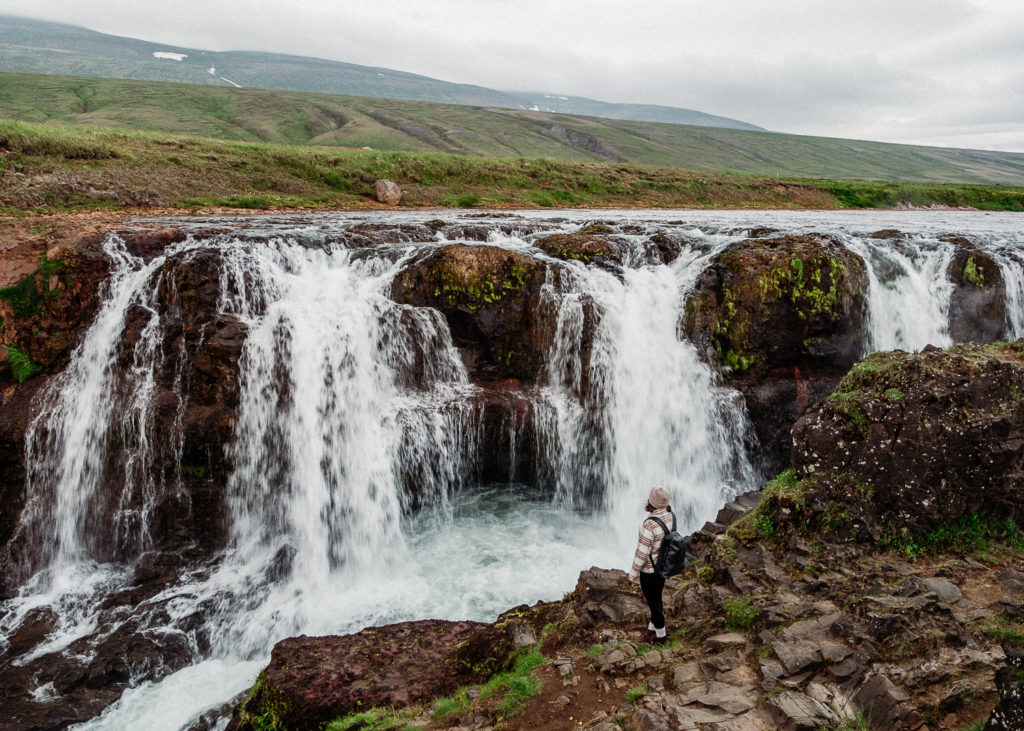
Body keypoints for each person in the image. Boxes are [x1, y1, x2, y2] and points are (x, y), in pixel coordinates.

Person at [628, 485, 673, 641]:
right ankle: (650, 630)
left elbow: (642, 553)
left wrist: (633, 574)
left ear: (651, 501)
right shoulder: (670, 516)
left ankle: (661, 637)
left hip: (649, 571)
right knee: (656, 598)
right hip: (662, 567)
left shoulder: (649, 525)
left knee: (654, 605)